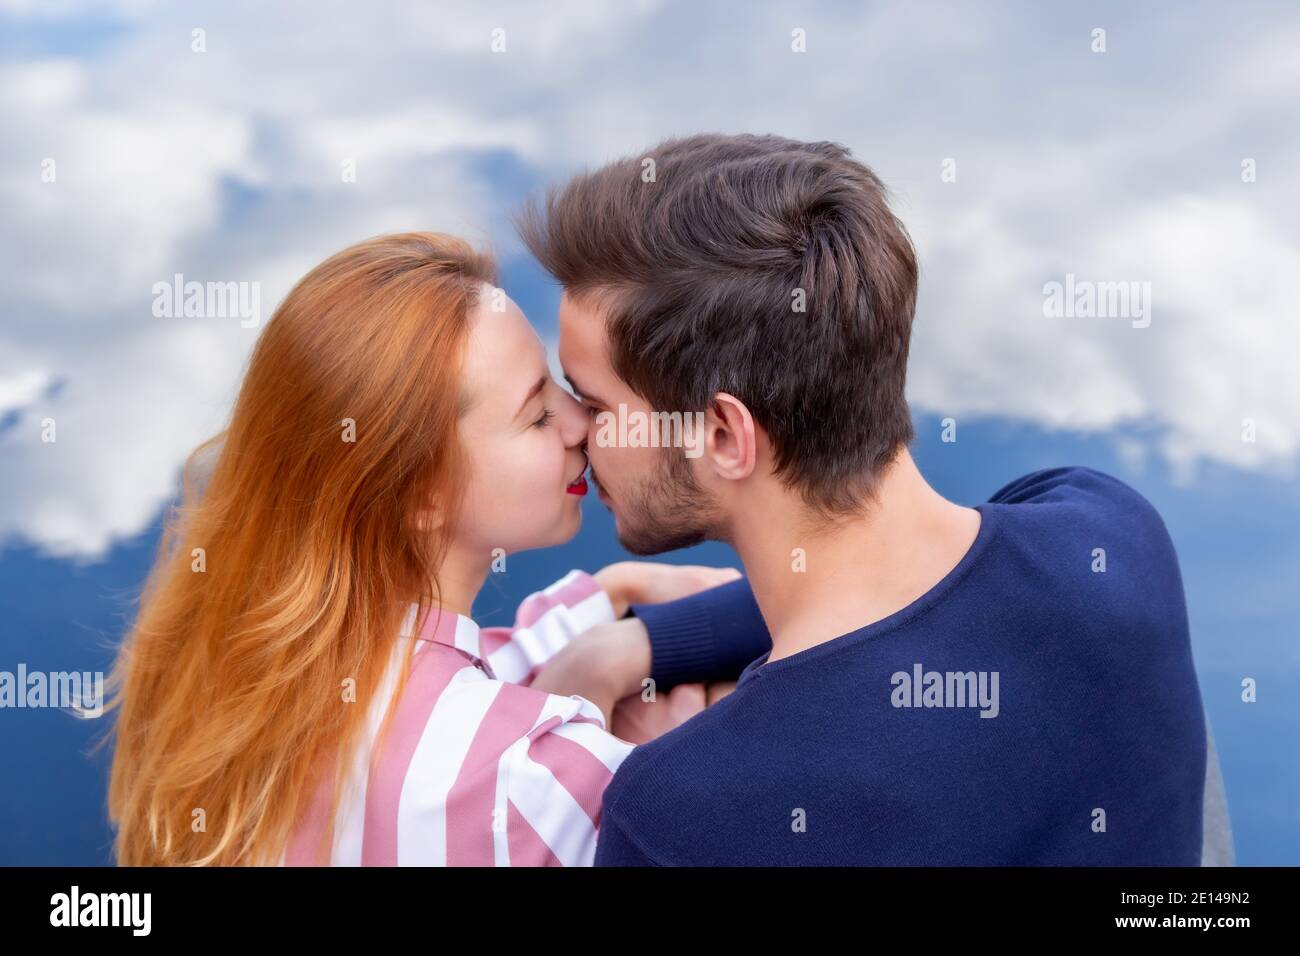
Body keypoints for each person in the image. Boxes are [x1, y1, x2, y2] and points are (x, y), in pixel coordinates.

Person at [518, 133, 1227, 865]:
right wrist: (634, 644)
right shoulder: (1109, 535)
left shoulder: (683, 814)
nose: (572, 428)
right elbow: (916, 587)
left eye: (594, 402)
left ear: (726, 436)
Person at [103, 232, 737, 866]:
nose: (579, 423)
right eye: (537, 413)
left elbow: (451, 692)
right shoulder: (544, 786)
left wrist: (605, 631)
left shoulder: (240, 684)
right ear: (419, 493)